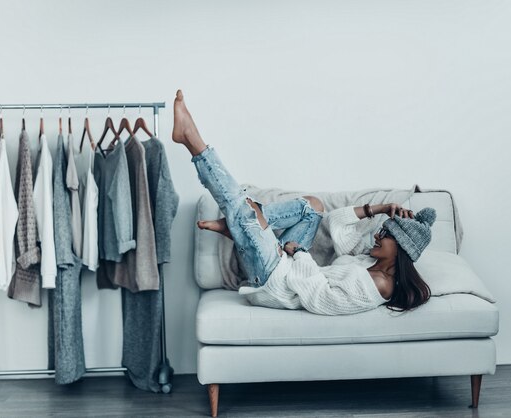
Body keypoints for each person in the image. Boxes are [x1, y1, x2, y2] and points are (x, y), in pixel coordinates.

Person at [171, 90, 435, 315]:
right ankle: (248, 223)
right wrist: (379, 208)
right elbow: (336, 222)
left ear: (401, 248)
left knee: (243, 209)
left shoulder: (380, 284)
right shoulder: (367, 260)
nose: (378, 233)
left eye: (386, 234)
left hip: (274, 284)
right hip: (287, 265)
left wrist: (299, 254)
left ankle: (192, 140)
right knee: (313, 207)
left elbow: (321, 300)